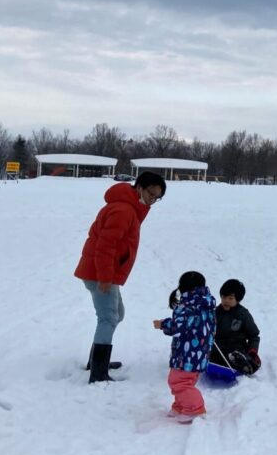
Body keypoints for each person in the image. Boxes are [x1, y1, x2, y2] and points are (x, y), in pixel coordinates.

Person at [74, 170, 167, 383]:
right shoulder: (124, 210)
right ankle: (98, 371)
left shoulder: (131, 208)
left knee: (117, 313)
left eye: (157, 198)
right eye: (151, 194)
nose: (152, 200)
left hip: (104, 272)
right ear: (139, 187)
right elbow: (105, 246)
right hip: (99, 273)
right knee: (108, 317)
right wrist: (105, 277)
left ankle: (97, 359)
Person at [153, 271, 216, 422]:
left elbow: (177, 327)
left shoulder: (187, 306)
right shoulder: (206, 304)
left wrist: (163, 324)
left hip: (186, 354)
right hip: (200, 352)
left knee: (178, 381)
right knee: (186, 381)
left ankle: (195, 409)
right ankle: (181, 405)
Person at [210, 279, 262, 376]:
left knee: (237, 356)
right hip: (219, 347)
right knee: (210, 349)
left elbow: (254, 336)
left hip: (236, 348)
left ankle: (245, 364)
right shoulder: (216, 312)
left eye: (230, 298)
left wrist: (252, 351)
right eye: (223, 297)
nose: (226, 301)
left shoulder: (243, 315)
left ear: (238, 300)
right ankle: (209, 360)